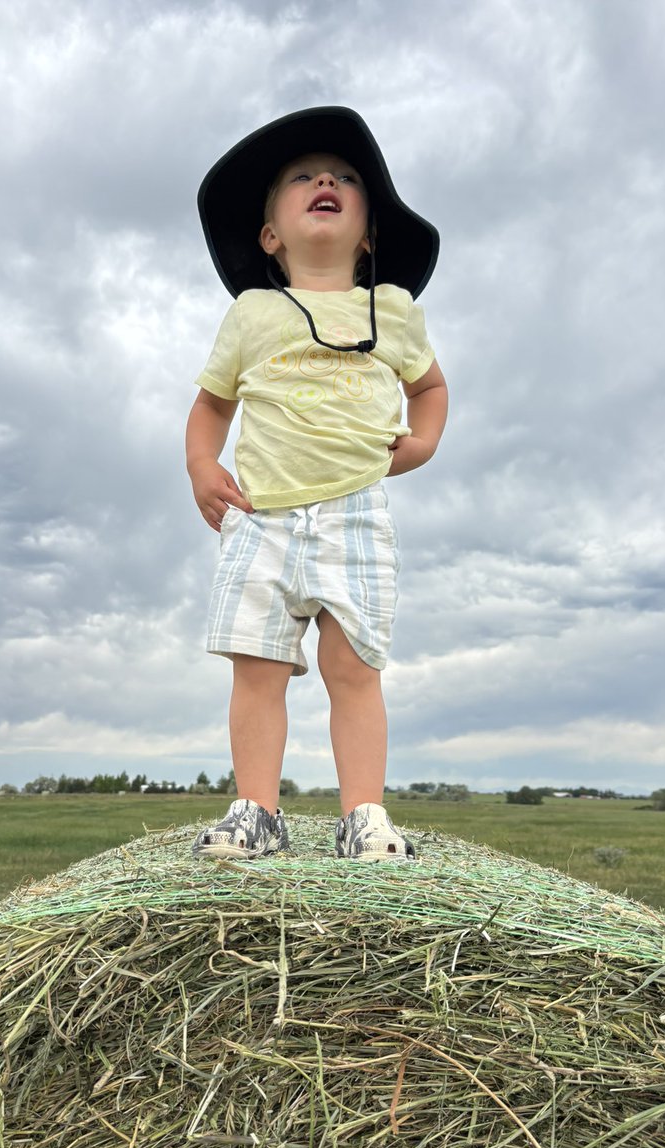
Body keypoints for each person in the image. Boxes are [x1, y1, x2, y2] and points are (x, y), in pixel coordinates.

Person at [186, 107, 448, 861]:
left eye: (344, 178)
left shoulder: (392, 311)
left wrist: (423, 439)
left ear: (369, 234)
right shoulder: (253, 313)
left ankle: (363, 813)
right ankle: (255, 811)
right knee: (258, 669)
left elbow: (431, 389)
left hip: (355, 515)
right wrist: (204, 465)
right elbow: (209, 407)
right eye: (302, 177)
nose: (324, 180)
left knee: (353, 669)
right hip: (262, 515)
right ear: (271, 234)